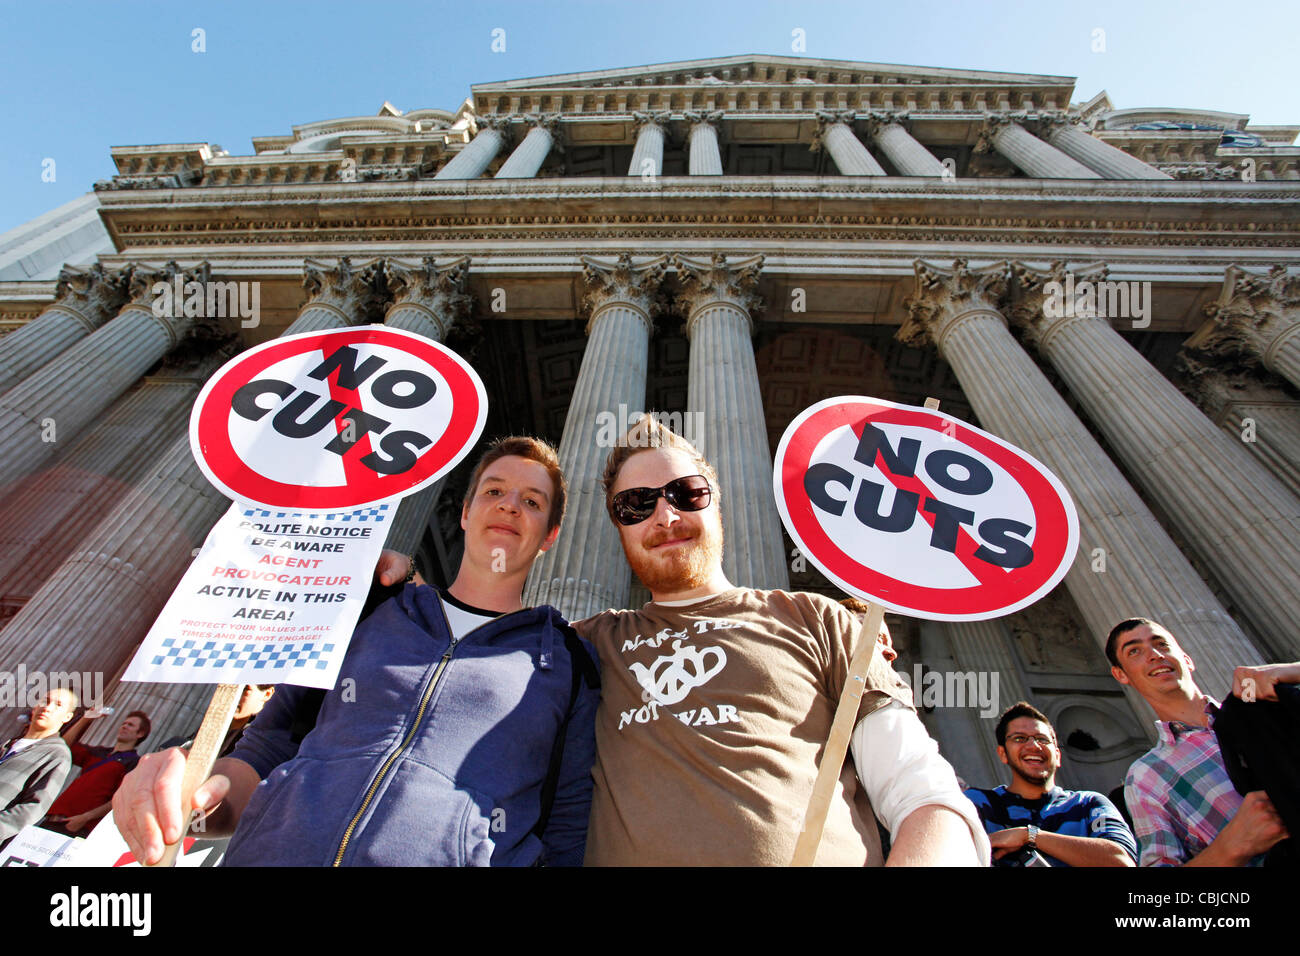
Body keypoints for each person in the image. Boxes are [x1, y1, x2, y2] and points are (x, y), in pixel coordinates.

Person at [113, 436, 598, 867]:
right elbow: (266, 750)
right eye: (494, 491)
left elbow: (566, 828)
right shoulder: (366, 609)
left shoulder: (567, 663)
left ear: (550, 535)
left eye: (532, 501)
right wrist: (186, 800)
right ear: (466, 512)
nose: (510, 505)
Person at [570, 415, 987, 865]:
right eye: (635, 505)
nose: (666, 516)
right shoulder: (584, 646)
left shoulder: (817, 620)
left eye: (686, 493)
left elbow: (923, 792)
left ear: (716, 503)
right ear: (618, 525)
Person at [1107, 617, 1294, 866]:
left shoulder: (1248, 702)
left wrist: (1285, 671)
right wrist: (1231, 846)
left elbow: (1255, 696)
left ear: (1186, 659)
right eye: (1135, 651)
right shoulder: (1146, 776)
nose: (1154, 655)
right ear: (1121, 675)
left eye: (1161, 644)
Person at [964, 701, 1136, 866]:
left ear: (1058, 755)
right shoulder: (976, 803)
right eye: (1019, 738)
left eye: (1042, 739)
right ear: (1003, 754)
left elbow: (1122, 862)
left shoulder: (1088, 803)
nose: (1033, 745)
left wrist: (1029, 836)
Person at [42, 708, 149, 837]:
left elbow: (121, 799)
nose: (124, 726)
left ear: (140, 733)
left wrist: (85, 818)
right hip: (53, 817)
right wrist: (86, 719)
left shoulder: (134, 763)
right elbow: (64, 745)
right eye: (123, 723)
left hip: (79, 827)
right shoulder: (99, 752)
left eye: (130, 725)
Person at [0, 687, 78, 850]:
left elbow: (34, 808)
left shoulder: (57, 754)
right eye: (46, 700)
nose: (48, 707)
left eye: (58, 705)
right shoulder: (8, 744)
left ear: (67, 717)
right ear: (35, 706)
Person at [157, 685, 275, 759]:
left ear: (267, 693)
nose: (232, 696)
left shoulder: (263, 741)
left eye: (244, 689)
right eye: (227, 688)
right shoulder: (199, 735)